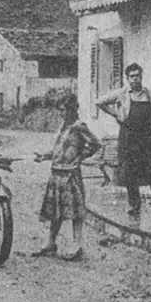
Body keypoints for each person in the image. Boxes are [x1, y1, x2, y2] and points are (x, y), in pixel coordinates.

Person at [96, 63, 151, 217]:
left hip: (147, 139)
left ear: (141, 76)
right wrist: (115, 114)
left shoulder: (150, 94)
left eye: (138, 76)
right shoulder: (121, 94)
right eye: (132, 76)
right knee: (131, 173)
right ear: (127, 78)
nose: (135, 79)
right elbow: (99, 102)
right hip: (129, 138)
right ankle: (134, 206)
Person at [33, 92, 100, 260]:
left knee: (75, 210)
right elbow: (58, 149)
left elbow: (95, 143)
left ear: (72, 110)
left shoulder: (79, 125)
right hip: (56, 172)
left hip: (70, 174)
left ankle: (77, 244)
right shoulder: (63, 127)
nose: (61, 113)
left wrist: (80, 157)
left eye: (64, 109)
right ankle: (50, 243)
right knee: (55, 209)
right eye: (60, 110)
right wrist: (44, 156)